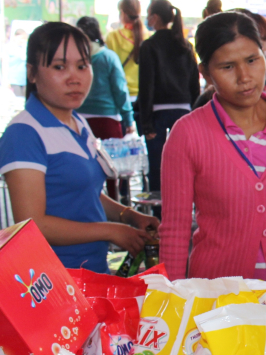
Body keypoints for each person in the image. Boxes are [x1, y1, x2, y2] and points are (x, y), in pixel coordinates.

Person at [160, 12, 266, 293]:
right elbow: (175, 231)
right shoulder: (187, 134)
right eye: (227, 67)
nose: (244, 77)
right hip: (216, 302)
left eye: (252, 60)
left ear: (265, 56)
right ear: (205, 73)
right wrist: (171, 306)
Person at [0, 22, 157, 272]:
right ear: (31, 73)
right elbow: (32, 224)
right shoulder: (24, 133)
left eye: (82, 66)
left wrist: (128, 215)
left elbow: (85, 193)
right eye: (59, 67)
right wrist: (110, 230)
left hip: (92, 270)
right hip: (54, 280)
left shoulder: (77, 122)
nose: (74, 78)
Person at [138, 0, 200, 206]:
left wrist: (145, 123)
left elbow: (146, 86)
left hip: (158, 115)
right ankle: (184, 210)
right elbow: (194, 87)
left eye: (148, 14)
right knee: (184, 167)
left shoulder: (149, 46)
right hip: (184, 113)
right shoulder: (185, 46)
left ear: (154, 18)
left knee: (157, 168)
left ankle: (159, 220)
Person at [75, 17, 135, 139]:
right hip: (107, 120)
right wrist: (128, 120)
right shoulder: (109, 58)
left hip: (78, 119)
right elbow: (120, 90)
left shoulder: (74, 58)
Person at [105, 0, 146, 102]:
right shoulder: (148, 37)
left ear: (122, 13)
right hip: (142, 95)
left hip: (119, 93)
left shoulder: (112, 37)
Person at [6, 28, 28, 97]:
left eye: (24, 39)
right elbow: (4, 65)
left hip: (24, 79)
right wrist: (5, 80)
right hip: (13, 79)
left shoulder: (25, 48)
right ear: (15, 37)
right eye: (21, 38)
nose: (22, 41)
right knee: (18, 99)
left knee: (25, 99)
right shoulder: (8, 48)